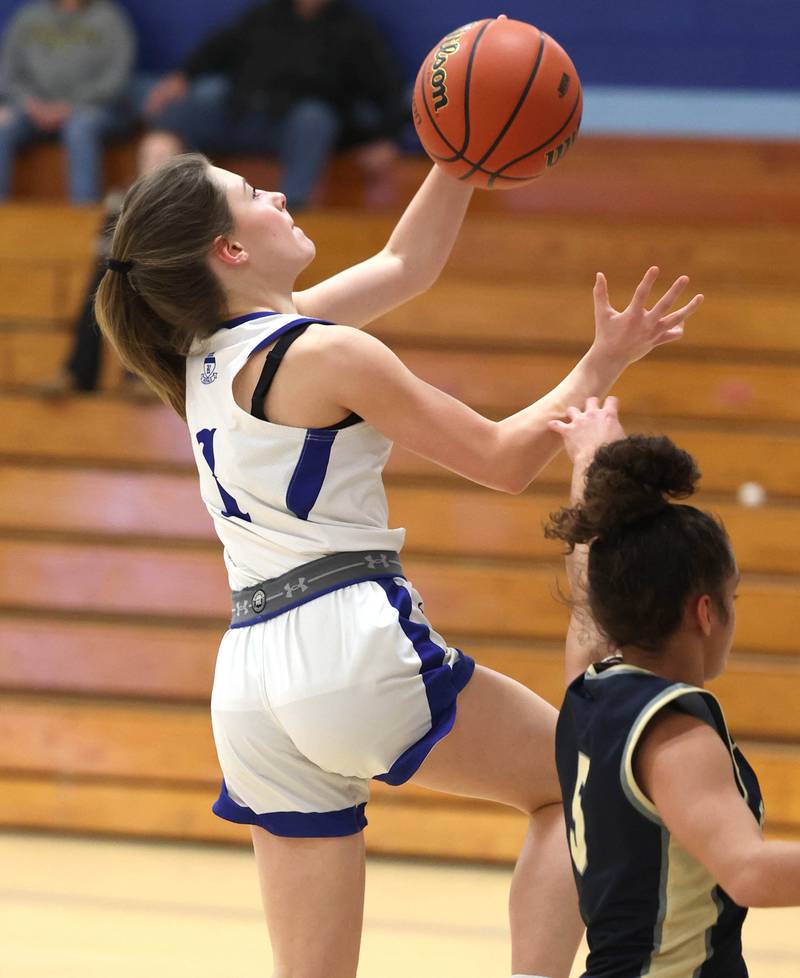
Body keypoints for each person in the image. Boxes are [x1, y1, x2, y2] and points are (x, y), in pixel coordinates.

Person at [93, 152, 702, 978]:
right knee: (576, 785)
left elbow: (403, 266)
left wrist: (459, 162)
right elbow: (500, 459)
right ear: (229, 251)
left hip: (248, 679)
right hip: (346, 642)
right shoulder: (326, 354)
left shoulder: (202, 351)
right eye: (248, 194)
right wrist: (602, 362)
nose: (274, 192)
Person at [547, 396, 800, 978]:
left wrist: (591, 458)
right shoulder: (675, 732)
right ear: (706, 612)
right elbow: (749, 872)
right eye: (733, 599)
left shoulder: (589, 692)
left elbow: (588, 595)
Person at [139, 0, 407, 211]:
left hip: (296, 125)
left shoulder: (355, 28)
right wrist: (181, 77)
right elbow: (216, 49)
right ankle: (154, 208)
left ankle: (294, 212)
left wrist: (388, 139)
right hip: (240, 110)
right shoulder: (264, 14)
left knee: (315, 120)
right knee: (188, 108)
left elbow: (389, 89)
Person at [0, 0, 136, 203]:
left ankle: (84, 216)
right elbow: (7, 74)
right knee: (3, 125)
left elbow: (116, 79)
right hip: (32, 109)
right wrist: (29, 103)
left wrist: (70, 106)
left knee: (80, 126)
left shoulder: (110, 18)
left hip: (93, 108)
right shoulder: (28, 17)